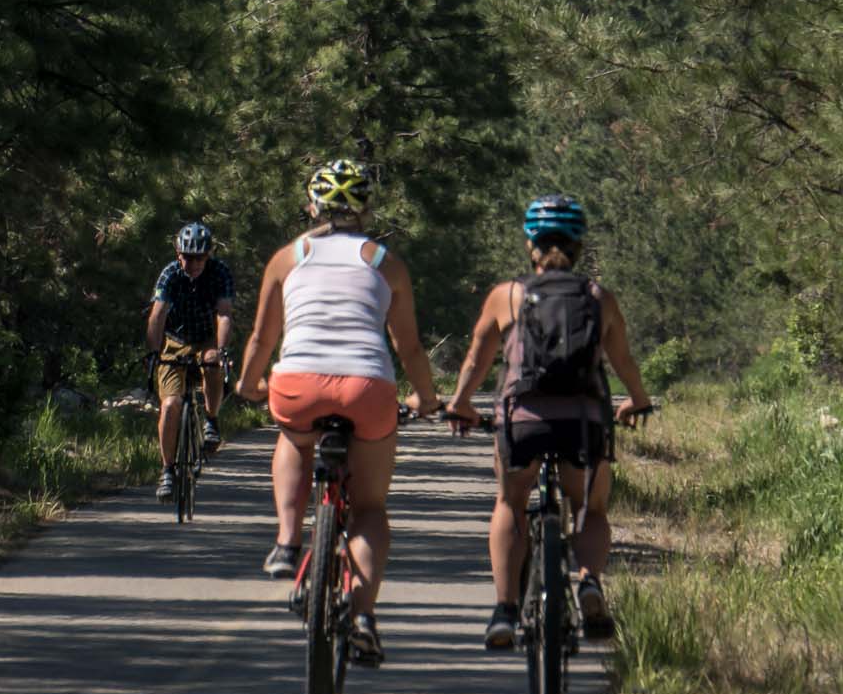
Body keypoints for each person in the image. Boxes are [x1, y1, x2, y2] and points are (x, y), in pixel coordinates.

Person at [235, 158, 442, 666]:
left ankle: (286, 542)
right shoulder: (386, 262)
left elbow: (264, 336)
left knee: (293, 440)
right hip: (367, 386)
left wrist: (247, 384)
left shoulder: (288, 257)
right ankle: (365, 617)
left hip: (297, 384)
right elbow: (409, 346)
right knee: (369, 508)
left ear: (313, 206)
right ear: (366, 208)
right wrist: (429, 399)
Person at [445, 192, 652, 648]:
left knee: (510, 505)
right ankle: (589, 582)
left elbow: (475, 362)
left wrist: (460, 403)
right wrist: (637, 401)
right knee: (590, 509)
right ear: (579, 246)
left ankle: (503, 610)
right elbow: (624, 363)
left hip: (523, 422)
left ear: (529, 245)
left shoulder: (508, 296)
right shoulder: (600, 298)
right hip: (583, 421)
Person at [147, 221, 235, 501]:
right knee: (171, 404)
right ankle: (167, 470)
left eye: (199, 257)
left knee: (211, 361)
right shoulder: (170, 275)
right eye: (187, 257)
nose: (193, 263)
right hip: (175, 339)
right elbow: (157, 316)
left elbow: (224, 314)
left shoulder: (219, 273)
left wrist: (221, 350)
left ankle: (211, 420)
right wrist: (154, 353)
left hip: (207, 335)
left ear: (208, 256)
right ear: (178, 254)